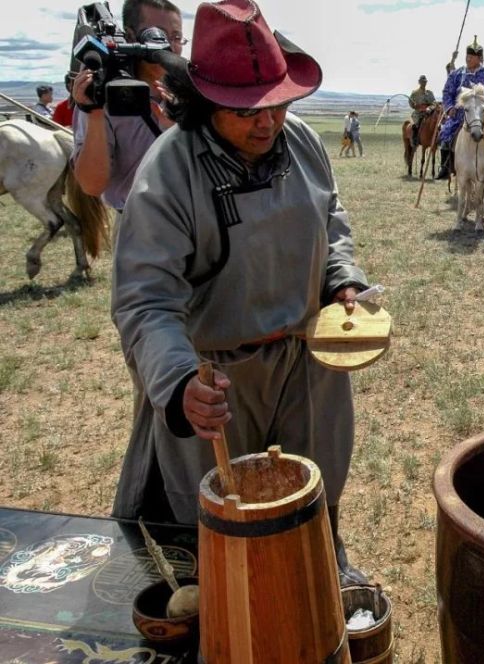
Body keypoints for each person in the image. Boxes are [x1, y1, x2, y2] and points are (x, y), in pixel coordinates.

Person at [109, 0, 371, 587]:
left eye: (278, 104)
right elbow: (146, 299)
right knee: (219, 524)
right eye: (246, 110)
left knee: (315, 488)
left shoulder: (303, 143)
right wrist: (178, 383)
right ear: (202, 101)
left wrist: (340, 277)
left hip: (309, 363)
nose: (267, 122)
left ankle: (322, 573)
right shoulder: (168, 172)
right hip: (216, 380)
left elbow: (331, 219)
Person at [71, 0, 185, 212]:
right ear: (131, 37)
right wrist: (94, 114)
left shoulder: (191, 90)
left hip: (196, 217)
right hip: (140, 224)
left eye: (176, 37)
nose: (168, 45)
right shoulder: (102, 96)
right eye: (156, 34)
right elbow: (92, 186)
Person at [435, 37, 484, 180]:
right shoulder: (456, 74)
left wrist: (483, 111)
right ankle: (448, 167)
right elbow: (447, 92)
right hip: (459, 116)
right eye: (467, 56)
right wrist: (450, 107)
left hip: (481, 119)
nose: (468, 59)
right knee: (445, 134)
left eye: (472, 57)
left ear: (480, 58)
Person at [408, 75, 436, 148]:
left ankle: (437, 139)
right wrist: (414, 105)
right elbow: (410, 103)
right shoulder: (414, 93)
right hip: (418, 113)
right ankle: (415, 139)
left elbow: (434, 103)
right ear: (419, 82)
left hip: (428, 112)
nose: (424, 83)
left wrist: (430, 108)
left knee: (436, 123)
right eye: (422, 81)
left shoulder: (430, 93)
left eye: (425, 81)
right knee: (415, 125)